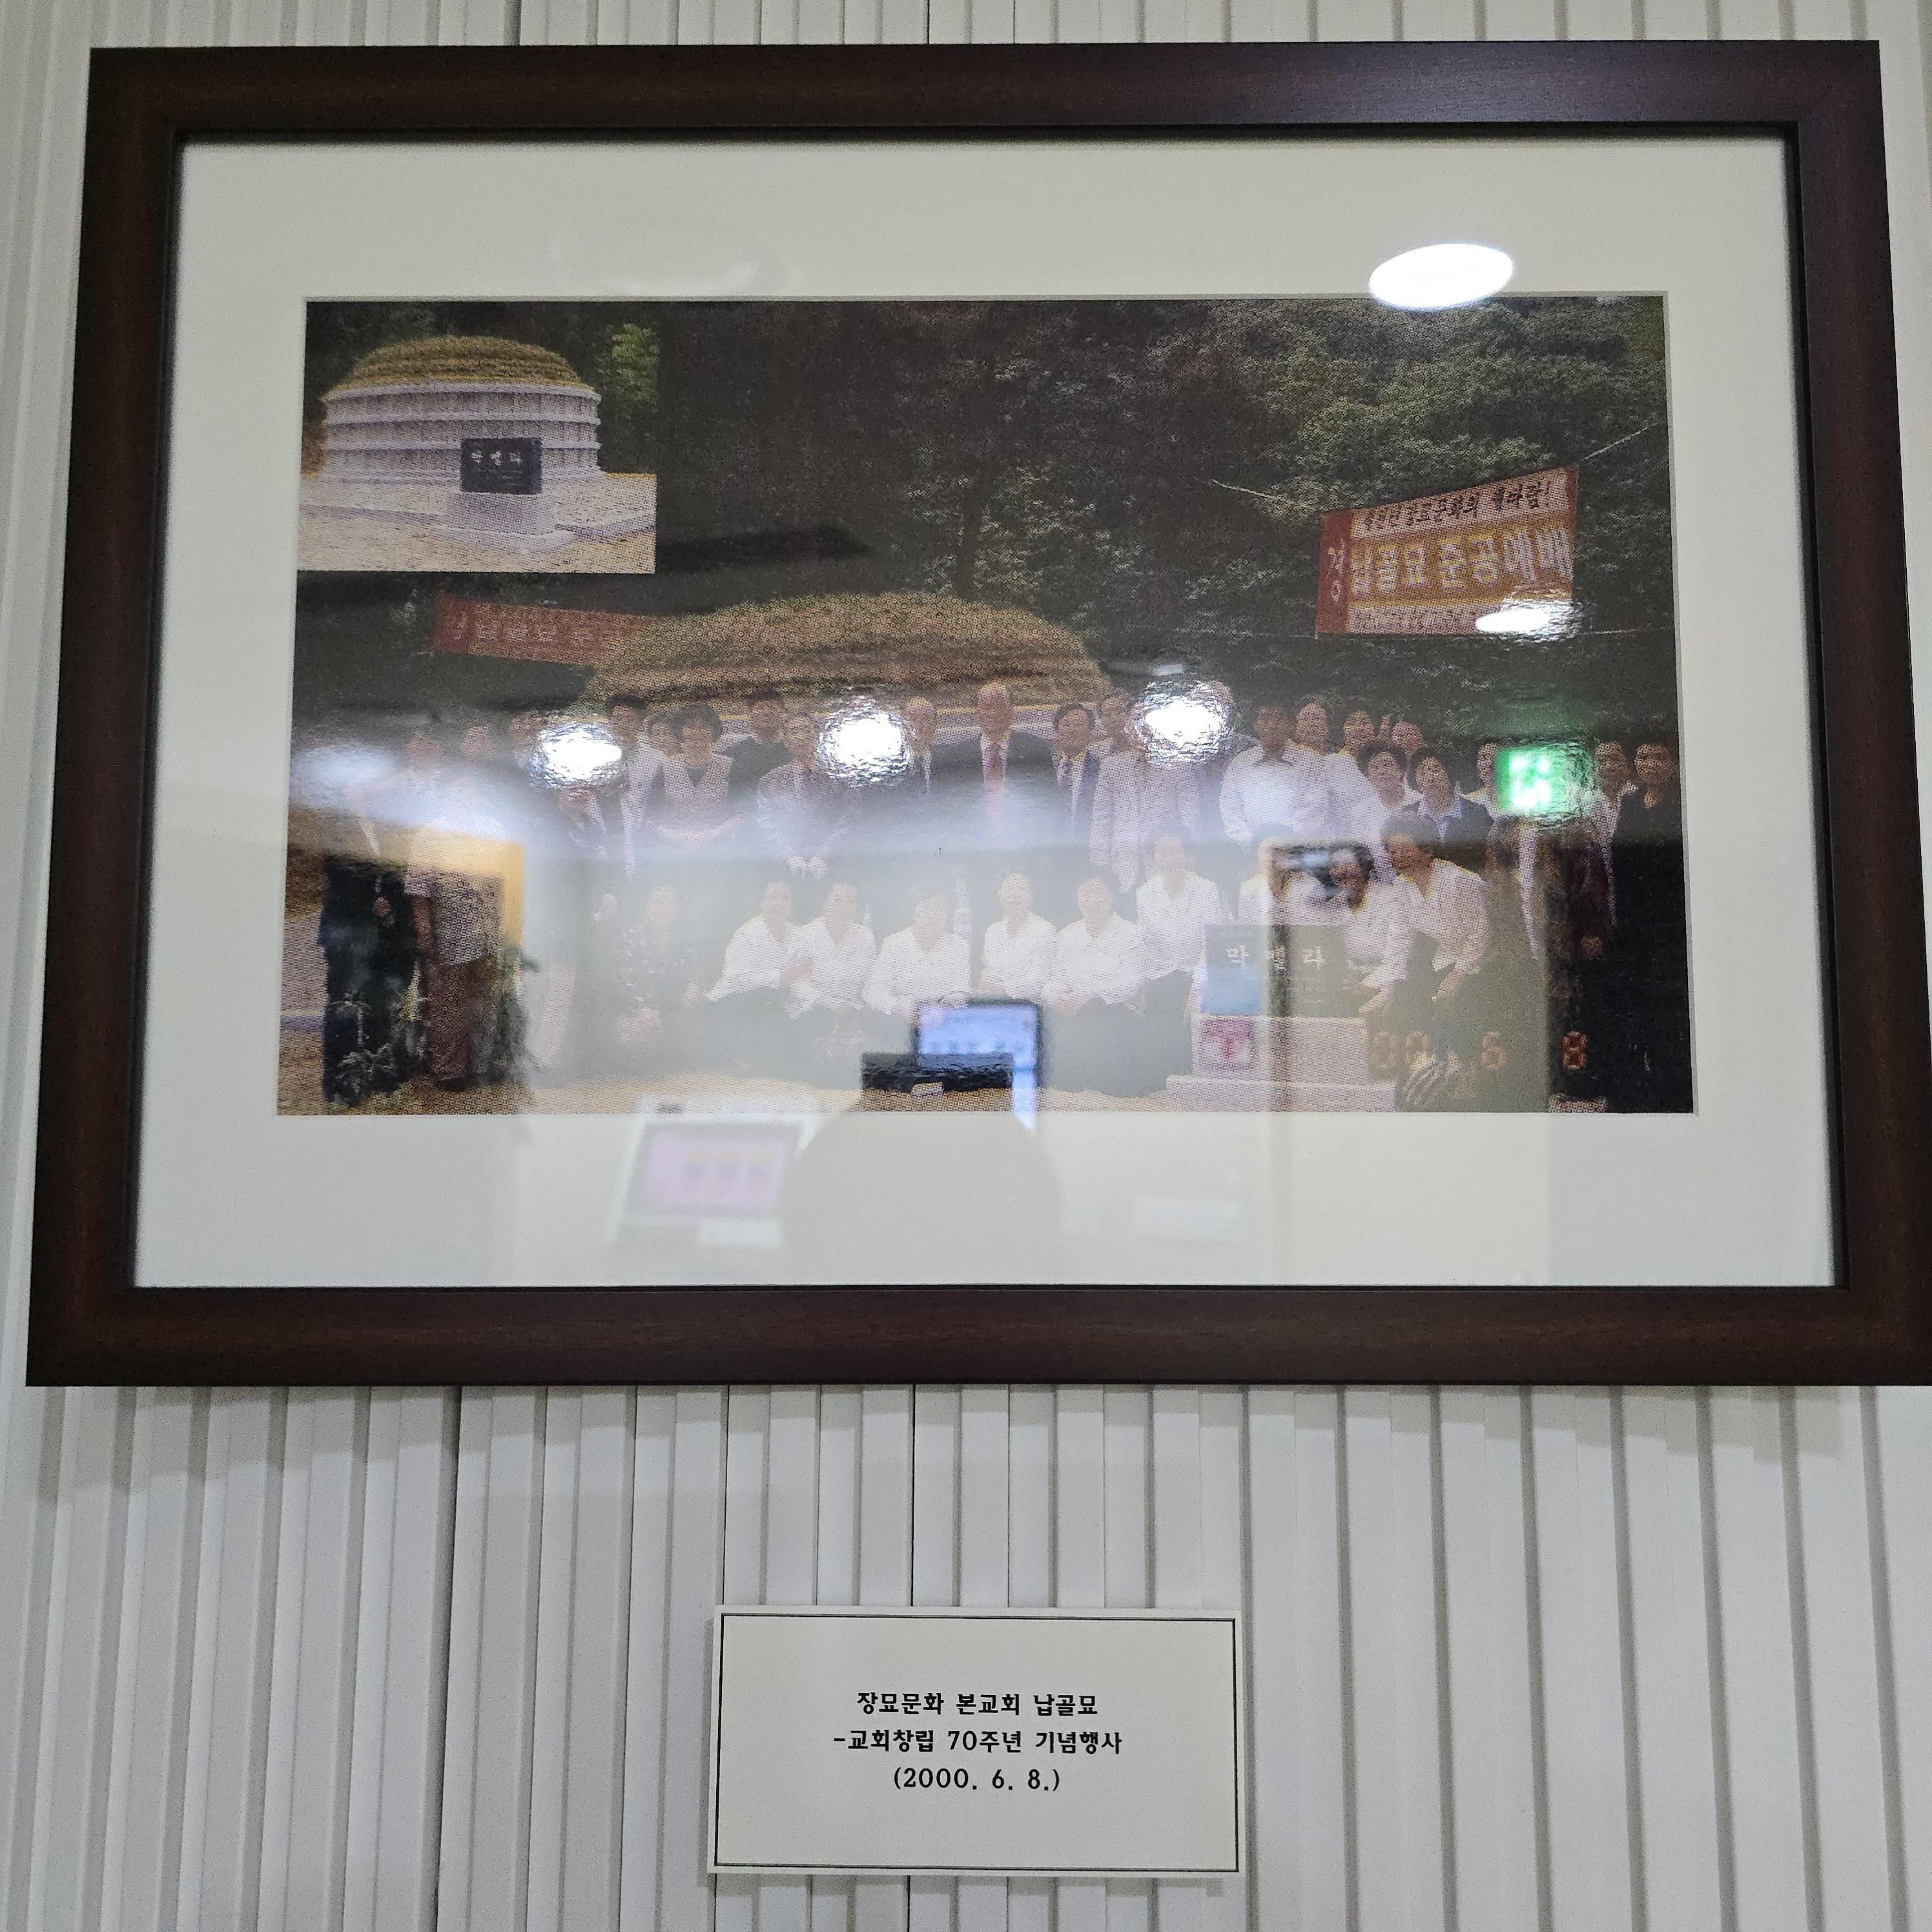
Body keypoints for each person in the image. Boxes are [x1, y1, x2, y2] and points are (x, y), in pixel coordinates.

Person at [403, 742, 518, 1093]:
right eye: (458, 792)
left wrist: (505, 928)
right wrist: (425, 933)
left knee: (485, 1001)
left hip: (487, 931)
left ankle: (481, 1065)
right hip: (448, 934)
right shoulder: (429, 834)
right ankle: (449, 1069)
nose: (465, 798)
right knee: (448, 1004)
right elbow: (419, 891)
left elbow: (506, 884)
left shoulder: (493, 829)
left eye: (472, 792)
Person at [1360, 816, 1490, 1077]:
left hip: (1487, 965)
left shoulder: (1458, 880)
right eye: (1392, 851)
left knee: (1458, 1017)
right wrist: (1387, 987)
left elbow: (1481, 933)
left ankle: (1464, 1074)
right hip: (1446, 962)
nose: (1397, 857)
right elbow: (1399, 941)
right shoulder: (1401, 887)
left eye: (1404, 849)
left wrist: (1458, 976)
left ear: (1427, 849)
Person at [316, 768, 416, 1105]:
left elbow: (397, 871)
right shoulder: (337, 826)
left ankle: (378, 1071)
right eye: (362, 784)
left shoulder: (384, 825)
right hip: (349, 931)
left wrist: (391, 905)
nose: (370, 789)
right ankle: (340, 1081)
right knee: (345, 1004)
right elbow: (341, 874)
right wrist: (371, 903)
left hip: (384, 931)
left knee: (380, 1002)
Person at [1608, 734, 1691, 1111]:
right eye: (1642, 757)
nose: (1648, 764)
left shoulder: (1681, 804)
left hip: (1670, 921)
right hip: (1632, 919)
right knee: (1636, 1003)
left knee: (1666, 1007)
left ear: (1672, 763)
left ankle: (1671, 1085)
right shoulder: (1629, 803)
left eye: (1657, 757)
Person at [1043, 874, 1149, 1095]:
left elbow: (1132, 981)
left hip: (1114, 1012)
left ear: (1112, 897)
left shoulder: (1131, 934)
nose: (1092, 901)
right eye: (1085, 894)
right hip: (1074, 1011)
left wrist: (1091, 996)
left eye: (1098, 893)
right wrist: (1057, 998)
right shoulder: (1067, 935)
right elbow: (1055, 978)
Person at [1135, 836, 1226, 1081]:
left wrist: (1197, 987)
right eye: (1161, 853)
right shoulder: (1145, 893)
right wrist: (1144, 982)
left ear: (1188, 856)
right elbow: (1145, 945)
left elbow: (1213, 945)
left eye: (1175, 853)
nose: (1168, 860)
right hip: (1161, 976)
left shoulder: (1207, 890)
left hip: (1197, 976)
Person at [706, 878, 812, 1076]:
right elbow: (736, 978)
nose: (779, 903)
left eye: (785, 898)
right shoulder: (746, 935)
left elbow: (802, 976)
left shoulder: (799, 936)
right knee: (766, 998)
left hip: (776, 1005)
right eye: (772, 898)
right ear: (761, 903)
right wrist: (781, 977)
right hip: (734, 1003)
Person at [1089, 711, 1202, 895]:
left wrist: (1190, 857)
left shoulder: (1179, 765)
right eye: (1136, 728)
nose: (1142, 734)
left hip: (1167, 861)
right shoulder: (1111, 766)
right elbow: (1101, 816)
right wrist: (1100, 858)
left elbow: (1190, 814)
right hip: (1122, 861)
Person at [757, 711, 850, 909]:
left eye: (807, 731)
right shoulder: (771, 780)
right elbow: (766, 822)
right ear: (785, 741)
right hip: (785, 868)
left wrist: (823, 857)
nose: (801, 737)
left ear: (818, 737)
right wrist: (790, 857)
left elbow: (849, 819)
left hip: (834, 866)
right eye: (794, 732)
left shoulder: (840, 777)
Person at [789, 878, 878, 1083]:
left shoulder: (866, 938)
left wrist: (860, 1006)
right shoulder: (805, 935)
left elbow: (872, 982)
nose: (844, 907)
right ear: (824, 903)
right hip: (816, 1011)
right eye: (837, 900)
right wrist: (829, 1004)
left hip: (854, 1010)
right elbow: (798, 985)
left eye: (851, 901)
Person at [613, 882, 705, 1074]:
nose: (662, 908)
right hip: (636, 1011)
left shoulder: (686, 941)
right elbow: (623, 980)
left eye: (668, 902)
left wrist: (693, 990)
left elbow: (695, 977)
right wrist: (640, 1010)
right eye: (656, 902)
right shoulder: (631, 936)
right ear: (646, 907)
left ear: (677, 909)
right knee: (640, 1035)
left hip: (672, 1010)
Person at [1219, 699, 1333, 853]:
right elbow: (1230, 810)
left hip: (1297, 853)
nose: (1272, 725)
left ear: (1290, 725)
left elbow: (1314, 810)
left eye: (1279, 719)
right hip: (1249, 852)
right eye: (1265, 718)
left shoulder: (1311, 763)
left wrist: (1283, 845)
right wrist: (1253, 843)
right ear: (1255, 725)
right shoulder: (1241, 763)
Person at [864, 889, 972, 1038]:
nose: (932, 915)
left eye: (939, 909)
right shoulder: (893, 944)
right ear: (914, 913)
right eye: (926, 908)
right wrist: (901, 1008)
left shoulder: (959, 946)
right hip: (901, 1026)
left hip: (946, 1024)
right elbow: (873, 991)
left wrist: (941, 1010)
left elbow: (962, 991)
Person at [1047, 701, 1104, 913]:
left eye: (1079, 725)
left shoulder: (1102, 768)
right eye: (1066, 724)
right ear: (1057, 730)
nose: (1072, 730)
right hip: (1050, 858)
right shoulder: (1045, 768)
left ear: (1090, 732)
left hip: (1087, 854)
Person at [1408, 745, 1494, 874]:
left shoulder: (1476, 813)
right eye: (1423, 773)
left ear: (1448, 773)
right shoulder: (1409, 815)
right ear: (1416, 782)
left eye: (1436, 770)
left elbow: (1491, 858)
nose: (1430, 778)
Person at [979, 868, 1058, 1002]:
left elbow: (1039, 980)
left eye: (1021, 889)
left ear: (1031, 897)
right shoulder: (993, 931)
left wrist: (1005, 989)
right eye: (1009, 888)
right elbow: (989, 974)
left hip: (1031, 1005)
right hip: (997, 1003)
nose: (1014, 894)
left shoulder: (1045, 930)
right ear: (1000, 894)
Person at [1350, 738, 1413, 876]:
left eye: (1387, 765)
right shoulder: (1360, 813)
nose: (1382, 772)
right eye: (1375, 768)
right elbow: (1361, 858)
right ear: (1368, 775)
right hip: (1383, 883)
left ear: (1400, 770)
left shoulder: (1419, 803)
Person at [727, 686, 792, 797]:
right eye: (760, 708)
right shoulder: (733, 755)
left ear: (782, 712)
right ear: (750, 713)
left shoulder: (795, 752)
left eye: (772, 707)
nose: (766, 713)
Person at [1095, 687, 1135, 758]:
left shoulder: (1147, 749)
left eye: (1119, 712)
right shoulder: (1097, 754)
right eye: (1107, 715)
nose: (1114, 719)